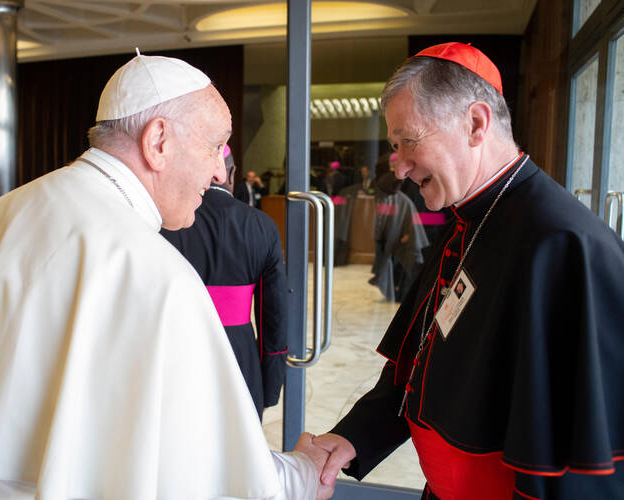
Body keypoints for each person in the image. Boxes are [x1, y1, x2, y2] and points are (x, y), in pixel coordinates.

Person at [0, 54, 331, 499]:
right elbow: (203, 476)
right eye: (215, 146)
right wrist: (306, 473)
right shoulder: (157, 274)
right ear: (159, 141)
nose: (218, 169)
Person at [311, 42, 624, 499]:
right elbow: (418, 367)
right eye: (394, 147)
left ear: (475, 123)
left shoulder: (565, 246)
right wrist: (352, 438)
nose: (397, 168)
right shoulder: (468, 221)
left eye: (407, 142)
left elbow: (583, 464)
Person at [161, 145, 288, 420]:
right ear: (230, 174)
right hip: (239, 357)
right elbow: (274, 320)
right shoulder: (263, 226)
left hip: (175, 353)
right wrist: (269, 389)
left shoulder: (165, 223)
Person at [368, 155, 428, 302]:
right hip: (407, 229)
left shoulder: (412, 183)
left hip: (414, 229)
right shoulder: (394, 183)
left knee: (408, 264)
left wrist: (410, 230)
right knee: (402, 265)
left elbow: (417, 209)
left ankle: (405, 294)